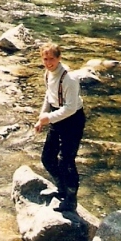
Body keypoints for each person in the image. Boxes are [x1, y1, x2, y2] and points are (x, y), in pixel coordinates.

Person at [34, 42, 85, 212]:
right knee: (47, 158)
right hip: (57, 117)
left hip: (73, 120)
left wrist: (48, 118)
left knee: (66, 161)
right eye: (45, 59)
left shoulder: (69, 79)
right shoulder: (48, 74)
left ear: (59, 58)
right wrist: (42, 117)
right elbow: (49, 96)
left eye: (51, 59)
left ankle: (71, 199)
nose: (48, 63)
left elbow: (70, 108)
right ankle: (61, 188)